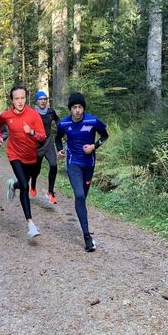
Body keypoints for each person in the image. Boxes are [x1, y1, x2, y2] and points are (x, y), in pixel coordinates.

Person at [55, 92, 109, 252]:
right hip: (73, 163)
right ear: (70, 109)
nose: (77, 110)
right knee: (79, 195)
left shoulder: (92, 121)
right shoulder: (64, 124)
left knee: (82, 197)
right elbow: (57, 138)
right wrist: (60, 150)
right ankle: (87, 237)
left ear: (83, 108)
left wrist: (94, 146)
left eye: (80, 107)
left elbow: (105, 135)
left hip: (89, 164)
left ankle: (81, 216)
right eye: (74, 107)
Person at [0, 85, 46, 238]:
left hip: (31, 157)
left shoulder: (33, 115)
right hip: (14, 154)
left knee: (25, 181)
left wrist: (31, 132)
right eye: (16, 98)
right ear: (12, 99)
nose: (20, 101)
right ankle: (30, 224)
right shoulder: (7, 115)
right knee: (25, 186)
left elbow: (42, 136)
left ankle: (12, 184)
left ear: (26, 98)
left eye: (22, 98)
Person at [29, 90, 59, 204]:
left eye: (45, 99)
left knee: (53, 164)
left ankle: (50, 192)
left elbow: (57, 120)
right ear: (36, 101)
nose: (43, 101)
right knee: (36, 170)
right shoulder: (32, 113)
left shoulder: (51, 111)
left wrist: (61, 128)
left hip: (48, 143)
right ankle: (33, 184)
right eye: (40, 99)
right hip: (36, 144)